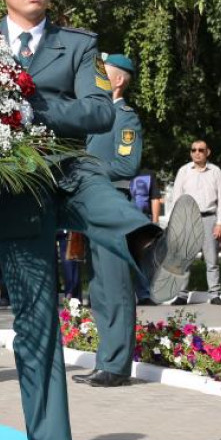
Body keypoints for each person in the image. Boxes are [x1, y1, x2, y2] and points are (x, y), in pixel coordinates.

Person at [0, 0, 202, 440]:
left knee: (97, 191)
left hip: (65, 166)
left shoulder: (78, 45)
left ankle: (155, 248)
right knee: (36, 329)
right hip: (11, 189)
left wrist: (34, 107)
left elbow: (100, 110)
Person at [72, 52, 145, 386]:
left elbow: (127, 166)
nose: (96, 82)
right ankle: (107, 359)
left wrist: (86, 171)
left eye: (104, 75)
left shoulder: (124, 118)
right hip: (92, 209)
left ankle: (116, 367)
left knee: (115, 287)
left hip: (114, 205)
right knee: (100, 289)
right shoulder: (93, 117)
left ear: (118, 81)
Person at [168, 139, 221, 304]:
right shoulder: (184, 171)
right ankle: (181, 295)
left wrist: (220, 222)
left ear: (207, 152)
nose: (197, 153)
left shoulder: (215, 171)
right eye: (193, 150)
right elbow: (176, 198)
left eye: (201, 150)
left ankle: (214, 294)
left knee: (212, 260)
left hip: (209, 218)